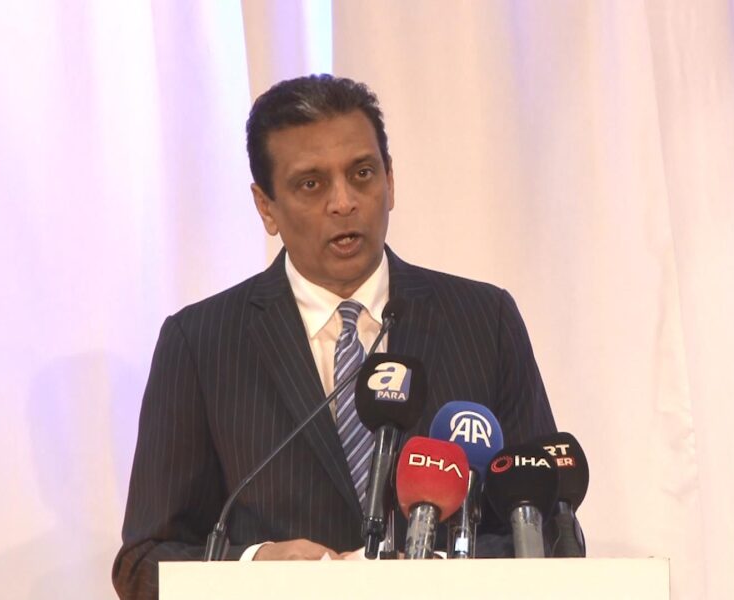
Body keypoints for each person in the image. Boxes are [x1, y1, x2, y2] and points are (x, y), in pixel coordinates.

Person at [112, 74, 559, 599]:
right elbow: (144, 563)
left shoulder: (483, 321)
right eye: (311, 184)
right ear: (266, 207)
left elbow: (548, 529)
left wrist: (433, 569)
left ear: (391, 180)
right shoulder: (201, 342)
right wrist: (255, 566)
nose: (344, 202)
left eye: (362, 173)